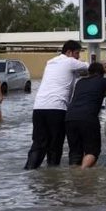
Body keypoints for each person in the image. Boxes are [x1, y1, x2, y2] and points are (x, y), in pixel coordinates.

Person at [25, 40, 89, 170]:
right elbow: (89, 67)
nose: (78, 57)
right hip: (57, 109)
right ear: (69, 52)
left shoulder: (51, 62)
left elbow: (74, 74)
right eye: (77, 53)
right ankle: (53, 176)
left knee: (38, 143)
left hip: (38, 108)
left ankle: (29, 171)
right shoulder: (69, 61)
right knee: (55, 144)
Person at [64, 62, 106, 169]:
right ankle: (81, 174)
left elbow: (91, 93)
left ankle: (74, 176)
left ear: (89, 72)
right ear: (102, 72)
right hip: (88, 118)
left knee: (75, 152)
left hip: (70, 118)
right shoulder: (103, 81)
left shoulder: (80, 82)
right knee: (93, 151)